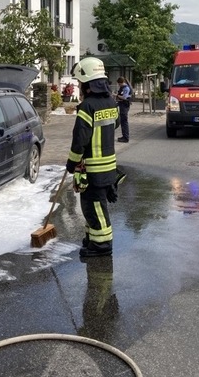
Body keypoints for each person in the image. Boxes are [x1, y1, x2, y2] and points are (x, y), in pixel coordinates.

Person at [66, 57, 119, 258]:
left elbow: (79, 140)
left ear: (87, 84)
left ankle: (102, 244)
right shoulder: (111, 102)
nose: (79, 86)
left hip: (92, 169)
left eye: (80, 82)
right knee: (92, 207)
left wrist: (72, 162)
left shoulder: (87, 107)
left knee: (94, 207)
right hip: (108, 166)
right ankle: (92, 240)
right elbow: (115, 125)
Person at [115, 77, 132, 143]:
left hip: (124, 106)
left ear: (121, 83)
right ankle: (124, 136)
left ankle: (125, 137)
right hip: (123, 105)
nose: (119, 85)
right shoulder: (124, 87)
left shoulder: (126, 88)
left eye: (119, 84)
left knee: (124, 121)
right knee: (123, 121)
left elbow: (124, 97)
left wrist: (117, 95)